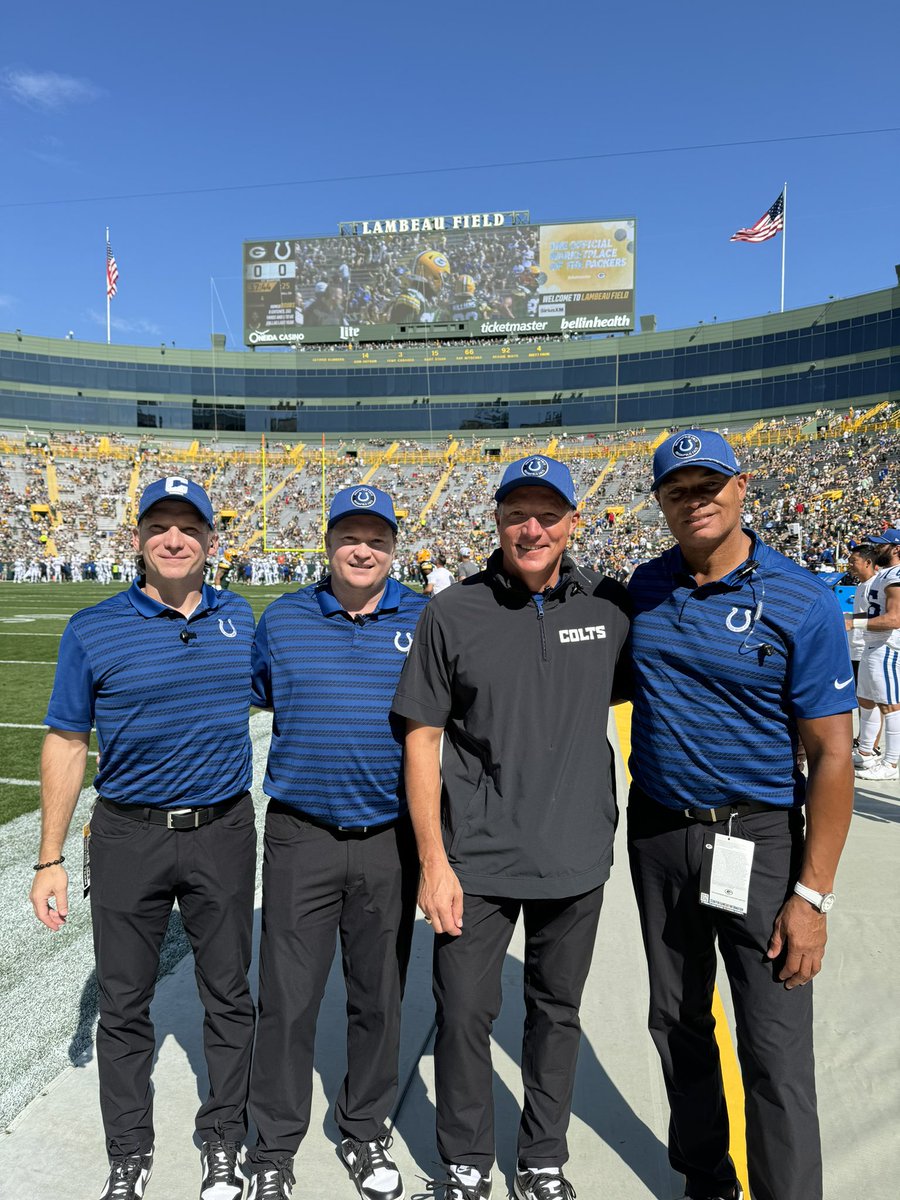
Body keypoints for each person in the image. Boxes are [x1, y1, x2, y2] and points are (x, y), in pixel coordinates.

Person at [393, 455, 630, 1200]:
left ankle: (543, 1158)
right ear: (496, 522)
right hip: (476, 859)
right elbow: (422, 739)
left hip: (575, 853)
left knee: (556, 1014)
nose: (533, 529)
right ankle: (466, 1162)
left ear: (573, 523)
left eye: (549, 515)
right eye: (517, 514)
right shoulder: (451, 612)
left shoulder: (610, 608)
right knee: (464, 1014)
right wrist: (433, 862)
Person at [627, 430, 855, 1200]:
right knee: (677, 1019)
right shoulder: (645, 586)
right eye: (678, 490)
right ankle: (707, 1182)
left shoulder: (800, 599)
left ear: (742, 486)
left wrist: (813, 896)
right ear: (661, 503)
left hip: (756, 837)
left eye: (709, 485)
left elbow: (831, 755)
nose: (696, 501)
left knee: (773, 1044)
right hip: (660, 831)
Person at [30, 477, 256, 1200]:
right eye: (159, 525)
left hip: (223, 828)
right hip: (128, 834)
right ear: (137, 539)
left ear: (211, 541)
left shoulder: (241, 617)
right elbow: (67, 739)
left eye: (189, 526)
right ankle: (129, 1150)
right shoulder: (92, 628)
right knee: (123, 1004)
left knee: (229, 995)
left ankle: (224, 1139)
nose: (174, 539)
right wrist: (48, 857)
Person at [245, 485, 427, 1200]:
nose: (363, 550)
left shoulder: (425, 616)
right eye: (350, 537)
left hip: (389, 838)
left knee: (379, 997)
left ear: (394, 548)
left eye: (377, 539)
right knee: (287, 999)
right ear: (327, 544)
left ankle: (365, 1127)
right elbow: (257, 693)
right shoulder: (283, 619)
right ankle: (273, 1145)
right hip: (302, 834)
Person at [847, 528, 900, 781]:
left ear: (896, 548)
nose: (877, 548)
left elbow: (894, 619)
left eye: (882, 545)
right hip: (872, 644)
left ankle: (891, 763)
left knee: (890, 705)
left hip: (887, 645)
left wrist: (853, 623)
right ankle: (866, 752)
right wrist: (848, 618)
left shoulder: (896, 574)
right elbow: (873, 614)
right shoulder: (883, 575)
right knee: (866, 700)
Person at [845, 542, 883, 764]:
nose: (850, 565)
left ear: (868, 562)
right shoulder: (861, 586)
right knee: (862, 699)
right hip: (856, 649)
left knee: (872, 700)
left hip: (867, 649)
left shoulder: (875, 585)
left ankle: (873, 746)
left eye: (853, 561)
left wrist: (851, 621)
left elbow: (875, 618)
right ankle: (864, 740)